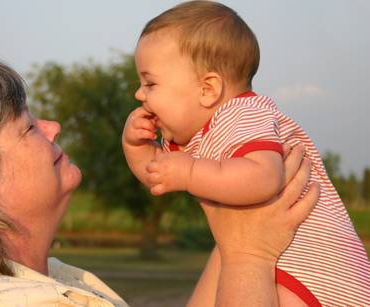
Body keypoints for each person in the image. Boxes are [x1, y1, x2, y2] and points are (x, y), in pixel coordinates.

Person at [0, 59, 318, 307]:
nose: (53, 126)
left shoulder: (42, 281)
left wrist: (234, 228)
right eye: (27, 126)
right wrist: (249, 258)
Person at [122, 1, 370, 306]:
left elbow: (263, 178)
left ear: (208, 89)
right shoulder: (200, 135)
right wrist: (136, 146)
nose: (139, 94)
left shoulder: (243, 115)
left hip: (319, 271)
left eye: (150, 83)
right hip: (283, 260)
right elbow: (157, 175)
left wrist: (188, 173)